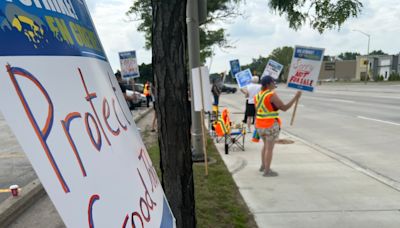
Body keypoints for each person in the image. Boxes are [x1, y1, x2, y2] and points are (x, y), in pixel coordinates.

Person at [254, 76, 301, 177]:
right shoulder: (271, 95)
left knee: (265, 146)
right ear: (268, 84)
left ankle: (263, 166)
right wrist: (295, 98)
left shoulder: (257, 96)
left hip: (259, 125)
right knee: (269, 148)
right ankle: (267, 171)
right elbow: (284, 108)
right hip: (270, 125)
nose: (274, 83)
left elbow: (258, 110)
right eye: (273, 82)